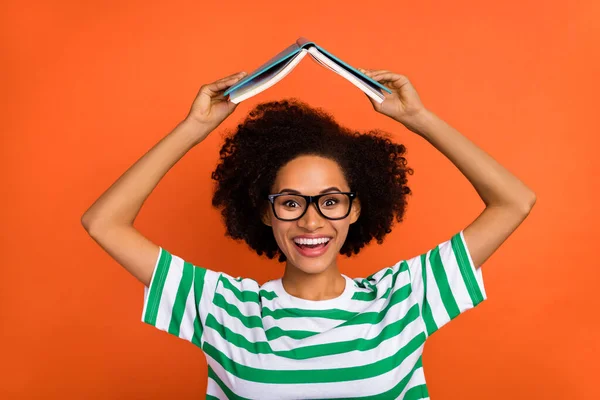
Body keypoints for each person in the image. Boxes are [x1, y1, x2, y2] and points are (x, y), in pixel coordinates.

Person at [81, 68, 536, 399]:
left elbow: (514, 201)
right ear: (266, 213)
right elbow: (104, 222)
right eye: (292, 202)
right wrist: (194, 127)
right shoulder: (223, 307)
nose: (312, 221)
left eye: (331, 201)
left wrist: (418, 117)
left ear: (355, 209)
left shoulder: (405, 298)